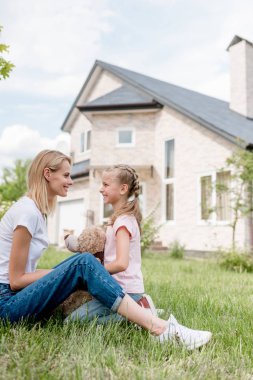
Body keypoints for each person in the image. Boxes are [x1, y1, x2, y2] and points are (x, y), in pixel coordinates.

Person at [0, 150, 212, 350]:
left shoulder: (35, 212)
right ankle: (161, 328)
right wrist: (66, 275)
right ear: (47, 174)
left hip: (16, 296)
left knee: (82, 263)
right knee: (82, 264)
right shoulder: (27, 212)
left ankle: (156, 324)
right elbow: (16, 280)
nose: (71, 181)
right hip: (7, 304)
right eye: (66, 175)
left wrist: (67, 276)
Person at [65, 164, 157, 325]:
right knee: (75, 319)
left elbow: (122, 263)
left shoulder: (123, 222)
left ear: (122, 189)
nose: (101, 189)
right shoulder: (120, 219)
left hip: (125, 291)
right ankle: (140, 312)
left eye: (106, 185)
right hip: (118, 288)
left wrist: (92, 271)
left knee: (72, 322)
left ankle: (142, 313)